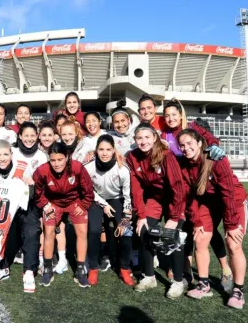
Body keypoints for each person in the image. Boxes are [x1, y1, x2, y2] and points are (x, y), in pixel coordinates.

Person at [162, 98, 230, 287]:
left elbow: (211, 140)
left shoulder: (193, 128)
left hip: (202, 186)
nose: (170, 118)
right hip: (181, 187)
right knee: (188, 228)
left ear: (181, 115)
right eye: (167, 115)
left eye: (174, 114)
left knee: (207, 230)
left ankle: (225, 268)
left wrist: (216, 145)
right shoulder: (164, 134)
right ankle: (186, 271)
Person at [178, 129, 248, 309]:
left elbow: (228, 193)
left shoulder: (216, 159)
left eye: (189, 144)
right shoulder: (184, 165)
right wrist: (196, 220)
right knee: (200, 239)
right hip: (208, 203)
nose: (186, 148)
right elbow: (189, 195)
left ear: (200, 143)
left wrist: (231, 224)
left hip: (233, 201)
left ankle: (238, 290)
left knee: (233, 243)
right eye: (182, 145)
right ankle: (203, 284)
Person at [126, 123, 186, 299]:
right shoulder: (132, 157)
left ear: (154, 138)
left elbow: (178, 187)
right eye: (139, 138)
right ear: (135, 140)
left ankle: (177, 280)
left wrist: (174, 217)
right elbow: (135, 188)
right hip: (155, 199)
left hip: (175, 199)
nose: (143, 142)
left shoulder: (166, 156)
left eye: (147, 137)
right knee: (144, 231)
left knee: (172, 235)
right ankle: (149, 276)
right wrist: (141, 216)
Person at [33, 142, 94, 288]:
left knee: (82, 232)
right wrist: (45, 205)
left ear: (66, 157)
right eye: (53, 160)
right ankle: (47, 269)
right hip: (53, 203)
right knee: (48, 232)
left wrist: (84, 205)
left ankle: (80, 271)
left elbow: (88, 190)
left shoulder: (77, 167)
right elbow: (37, 193)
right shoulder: (42, 171)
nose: (56, 164)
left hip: (74, 202)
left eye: (60, 159)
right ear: (49, 159)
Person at [0, 139, 40, 293]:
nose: (2, 158)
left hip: (24, 207)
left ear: (11, 154)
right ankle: (3, 266)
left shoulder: (22, 166)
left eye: (5, 154)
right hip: (3, 210)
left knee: (32, 230)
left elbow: (31, 193)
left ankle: (29, 271)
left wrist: (30, 184)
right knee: (0, 230)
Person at [85, 135, 133, 287]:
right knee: (94, 231)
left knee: (126, 231)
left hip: (117, 199)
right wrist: (103, 204)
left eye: (108, 150)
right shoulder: (89, 167)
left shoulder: (122, 169)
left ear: (114, 151)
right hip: (97, 200)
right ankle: (93, 267)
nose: (104, 153)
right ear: (96, 151)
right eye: (101, 149)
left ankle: (124, 268)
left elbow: (127, 196)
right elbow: (88, 191)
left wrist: (126, 215)